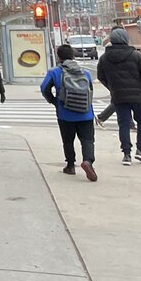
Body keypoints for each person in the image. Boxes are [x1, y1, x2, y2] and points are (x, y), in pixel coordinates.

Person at [96, 27, 141, 165]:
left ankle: (126, 154)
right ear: (125, 39)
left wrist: (112, 88)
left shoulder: (104, 58)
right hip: (138, 95)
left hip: (118, 96)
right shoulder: (137, 56)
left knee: (123, 124)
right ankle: (140, 150)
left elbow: (101, 76)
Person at [41, 44, 98, 181]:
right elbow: (90, 91)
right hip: (85, 113)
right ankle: (88, 161)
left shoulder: (55, 72)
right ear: (73, 55)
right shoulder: (85, 73)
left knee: (68, 140)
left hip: (65, 114)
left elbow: (44, 88)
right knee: (87, 140)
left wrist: (54, 101)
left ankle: (70, 166)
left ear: (58, 57)